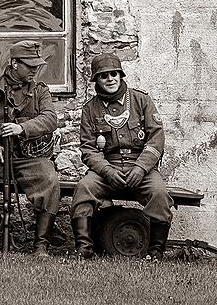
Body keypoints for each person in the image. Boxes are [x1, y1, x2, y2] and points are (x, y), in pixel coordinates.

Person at [0, 40, 61, 256]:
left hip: (29, 156)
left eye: (37, 66)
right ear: (15, 63)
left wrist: (21, 128)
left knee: (50, 180)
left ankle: (41, 243)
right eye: (30, 66)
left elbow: (50, 119)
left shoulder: (41, 91)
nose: (35, 70)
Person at [71, 52, 173, 259]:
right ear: (96, 80)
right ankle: (84, 249)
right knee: (84, 189)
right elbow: (88, 148)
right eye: (104, 75)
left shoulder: (141, 100)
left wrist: (141, 168)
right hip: (107, 168)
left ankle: (155, 253)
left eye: (114, 74)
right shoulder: (90, 109)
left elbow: (156, 139)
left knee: (159, 194)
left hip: (141, 168)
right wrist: (107, 171)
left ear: (121, 75)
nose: (110, 79)